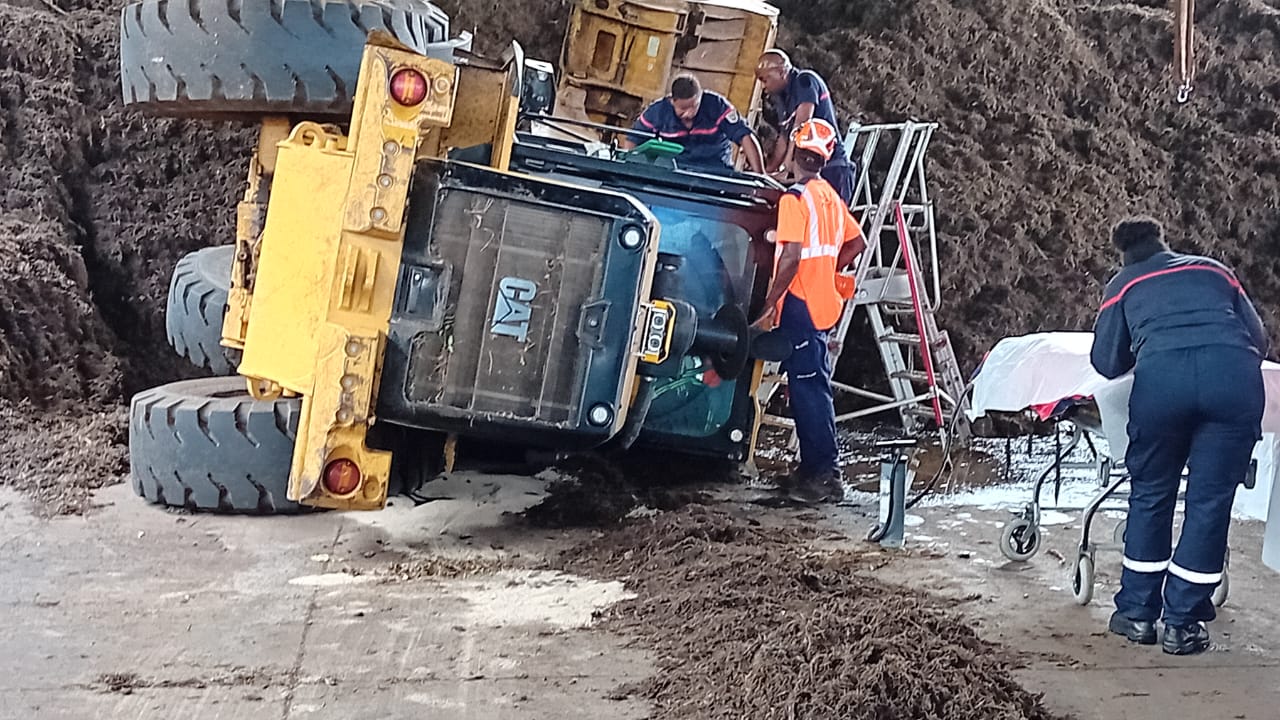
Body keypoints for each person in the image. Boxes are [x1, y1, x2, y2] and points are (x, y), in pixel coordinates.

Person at [1091, 217, 1269, 656]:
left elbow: (1107, 362)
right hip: (1234, 384)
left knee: (1151, 493)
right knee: (1209, 502)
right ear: (1164, 242)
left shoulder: (1124, 283)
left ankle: (1136, 613)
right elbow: (1259, 340)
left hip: (1162, 389)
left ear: (1125, 254)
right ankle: (1182, 624)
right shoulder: (1214, 270)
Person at [754, 119, 865, 504]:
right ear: (824, 157)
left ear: (794, 155)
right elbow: (857, 242)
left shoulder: (795, 199)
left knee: (809, 390)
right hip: (822, 302)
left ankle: (824, 475)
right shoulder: (829, 196)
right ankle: (811, 470)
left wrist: (768, 306)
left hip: (800, 303)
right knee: (810, 386)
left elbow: (789, 258)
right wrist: (827, 271)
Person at [754, 49, 856, 206]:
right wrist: (767, 172)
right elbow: (784, 137)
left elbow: (802, 124)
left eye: (765, 79)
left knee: (832, 223)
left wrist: (787, 168)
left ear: (781, 72)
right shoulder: (781, 99)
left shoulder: (805, 81)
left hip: (832, 168)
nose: (763, 86)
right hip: (808, 171)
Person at [622, 73, 765, 175]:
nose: (689, 113)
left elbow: (745, 137)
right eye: (683, 109)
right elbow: (632, 141)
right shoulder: (657, 112)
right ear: (672, 100)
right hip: (674, 173)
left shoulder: (717, 105)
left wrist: (760, 175)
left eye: (694, 107)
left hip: (717, 173)